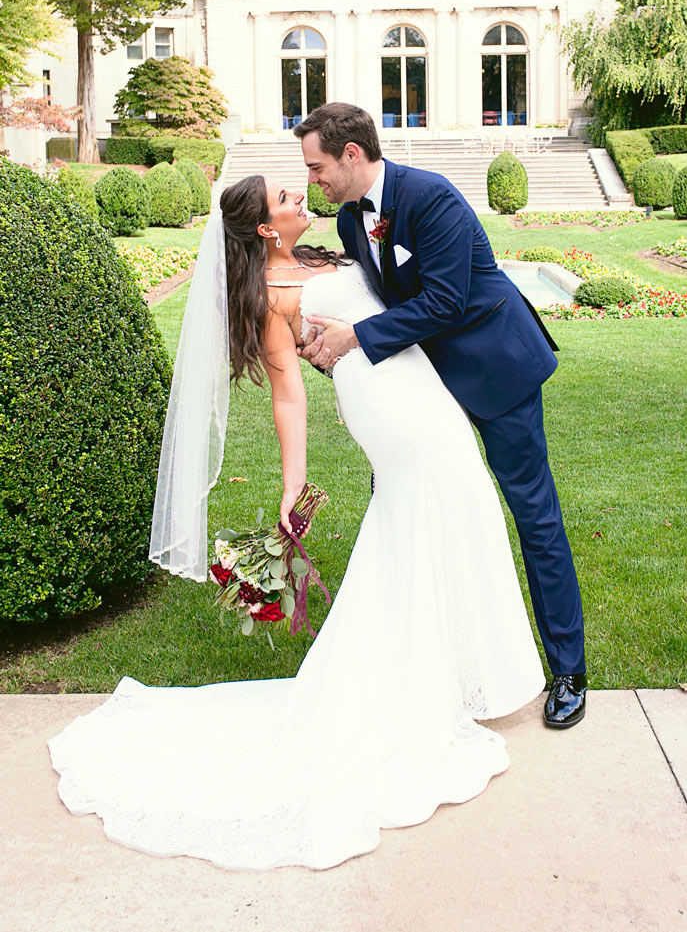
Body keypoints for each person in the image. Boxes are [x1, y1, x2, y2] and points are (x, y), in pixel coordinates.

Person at [48, 173, 545, 871]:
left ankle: (449, 667)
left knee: (445, 515)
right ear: (261, 227)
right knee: (443, 505)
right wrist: (291, 482)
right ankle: (425, 680)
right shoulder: (272, 298)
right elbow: (287, 395)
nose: (297, 197)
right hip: (386, 403)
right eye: (284, 197)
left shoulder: (320, 253)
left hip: (417, 385)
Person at [294, 103, 587, 729]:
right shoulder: (350, 221)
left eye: (317, 167)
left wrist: (357, 338)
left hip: (495, 370)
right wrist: (327, 347)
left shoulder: (433, 197)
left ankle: (567, 669)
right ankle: (426, 663)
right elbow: (377, 299)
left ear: (351, 155)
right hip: (421, 388)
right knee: (408, 508)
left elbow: (448, 302)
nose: (312, 179)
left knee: (533, 515)